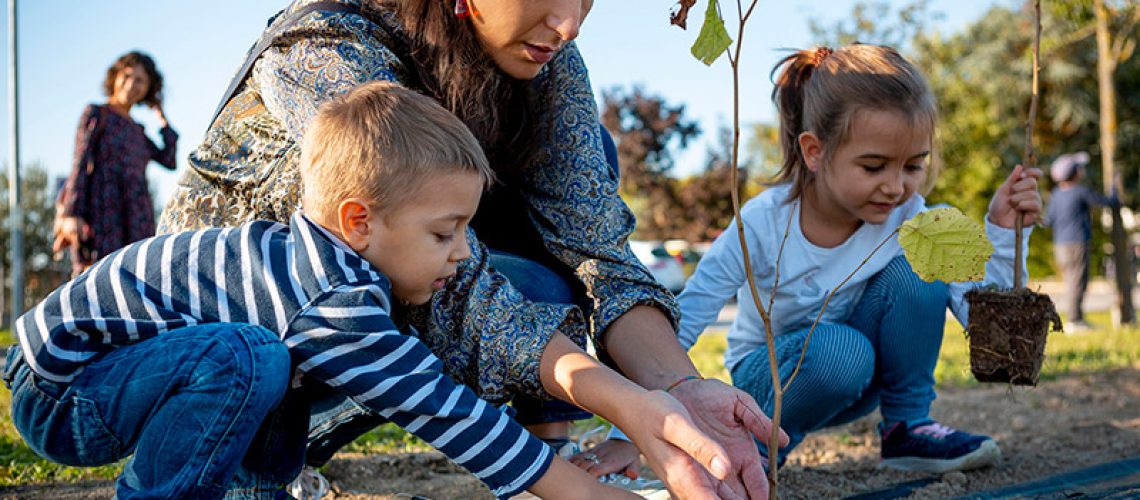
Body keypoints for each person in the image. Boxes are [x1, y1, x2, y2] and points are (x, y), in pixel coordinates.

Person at [4, 81, 746, 499]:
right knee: (253, 358)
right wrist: (590, 499)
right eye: (444, 233)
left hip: (108, 371)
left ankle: (258, 492)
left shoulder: (328, 273)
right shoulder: (328, 298)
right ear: (359, 220)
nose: (463, 255)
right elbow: (447, 414)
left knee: (272, 361)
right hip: (64, 385)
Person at [157, 1, 780, 497]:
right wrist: (617, 421)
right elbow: (466, 299)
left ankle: (543, 444)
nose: (569, 23)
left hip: (376, 323)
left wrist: (676, 390)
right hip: (226, 351)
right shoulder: (326, 46)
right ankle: (253, 451)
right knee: (507, 291)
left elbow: (597, 249)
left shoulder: (551, 63)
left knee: (561, 221)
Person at [658, 44, 1042, 473]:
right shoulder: (764, 223)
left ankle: (907, 428)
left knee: (911, 278)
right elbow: (686, 318)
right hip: (768, 383)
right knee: (842, 351)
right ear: (815, 152)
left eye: (913, 167)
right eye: (874, 167)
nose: (896, 188)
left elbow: (986, 324)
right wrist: (636, 424)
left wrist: (1006, 231)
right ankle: (759, 446)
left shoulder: (913, 221)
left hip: (860, 374)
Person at [53, 51, 178, 277]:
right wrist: (72, 213)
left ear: (148, 88)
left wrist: (161, 115)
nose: (131, 84)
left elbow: (169, 160)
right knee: (98, 280)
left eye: (140, 80)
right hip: (103, 213)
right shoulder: (97, 114)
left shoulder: (138, 131)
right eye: (127, 75)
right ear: (116, 76)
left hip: (137, 214)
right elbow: (79, 164)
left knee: (138, 278)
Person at [1045, 151, 1116, 330]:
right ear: (1075, 173)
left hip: (1060, 244)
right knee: (1078, 282)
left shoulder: (1056, 195)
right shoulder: (1080, 192)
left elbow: (1048, 220)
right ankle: (1075, 320)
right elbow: (1106, 202)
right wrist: (1115, 192)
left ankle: (1075, 318)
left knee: (1071, 281)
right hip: (1077, 242)